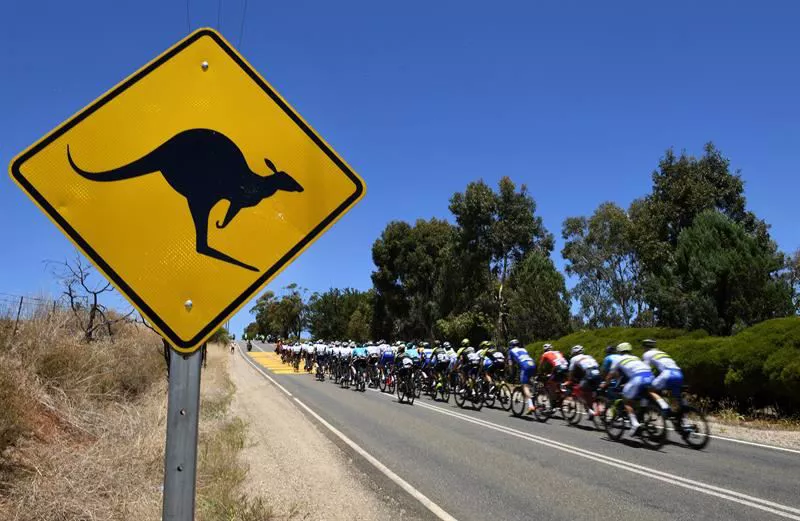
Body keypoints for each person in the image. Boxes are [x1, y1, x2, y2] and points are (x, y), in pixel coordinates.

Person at [602, 343, 654, 437]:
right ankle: (642, 416)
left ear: (619, 351)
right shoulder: (636, 358)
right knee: (641, 399)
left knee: (626, 400)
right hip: (650, 377)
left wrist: (605, 384)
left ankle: (635, 424)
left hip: (636, 379)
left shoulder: (618, 359)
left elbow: (610, 374)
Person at [641, 339, 685, 405]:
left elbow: (645, 369)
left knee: (650, 389)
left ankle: (664, 407)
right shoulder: (662, 352)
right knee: (675, 397)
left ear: (644, 347)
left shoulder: (647, 354)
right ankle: (683, 410)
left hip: (667, 373)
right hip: (679, 373)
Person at [566, 345, 601, 418]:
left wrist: (569, 381)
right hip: (597, 374)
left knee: (579, 392)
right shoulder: (589, 356)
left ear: (574, 352)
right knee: (590, 393)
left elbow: (571, 372)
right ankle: (596, 406)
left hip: (589, 374)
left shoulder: (574, 358)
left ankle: (589, 410)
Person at [508, 339, 537, 415]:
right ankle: (536, 391)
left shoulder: (511, 351)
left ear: (511, 346)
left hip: (525, 366)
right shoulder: (524, 349)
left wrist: (511, 374)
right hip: (532, 364)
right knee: (530, 382)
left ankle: (531, 406)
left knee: (524, 386)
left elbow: (510, 364)